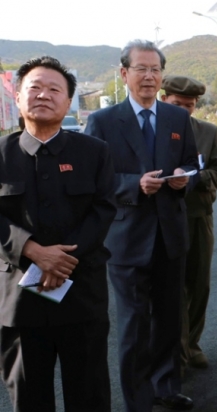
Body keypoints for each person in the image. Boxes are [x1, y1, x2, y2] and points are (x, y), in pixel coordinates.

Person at [85, 40, 199, 412]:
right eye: (141, 69)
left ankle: (167, 386)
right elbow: (93, 180)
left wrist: (185, 177)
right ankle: (139, 400)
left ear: (162, 75)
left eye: (155, 69)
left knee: (169, 320)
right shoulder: (102, 121)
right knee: (134, 327)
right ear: (124, 74)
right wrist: (135, 183)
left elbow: (190, 164)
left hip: (171, 236)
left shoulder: (177, 118)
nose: (149, 76)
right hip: (127, 238)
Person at [0, 56, 116, 411]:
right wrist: (32, 250)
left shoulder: (94, 152)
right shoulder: (1, 154)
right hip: (19, 301)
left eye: (54, 89)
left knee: (89, 392)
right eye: (34, 87)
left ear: (68, 102)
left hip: (81, 292)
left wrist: (61, 260)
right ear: (17, 97)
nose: (43, 95)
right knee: (28, 395)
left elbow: (104, 208)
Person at [160, 76, 217, 372]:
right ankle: (178, 352)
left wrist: (194, 177)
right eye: (177, 104)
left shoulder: (209, 132)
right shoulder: (155, 132)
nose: (184, 111)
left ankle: (192, 344)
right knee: (172, 288)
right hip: (162, 219)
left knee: (199, 286)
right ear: (164, 100)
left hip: (198, 216)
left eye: (189, 105)